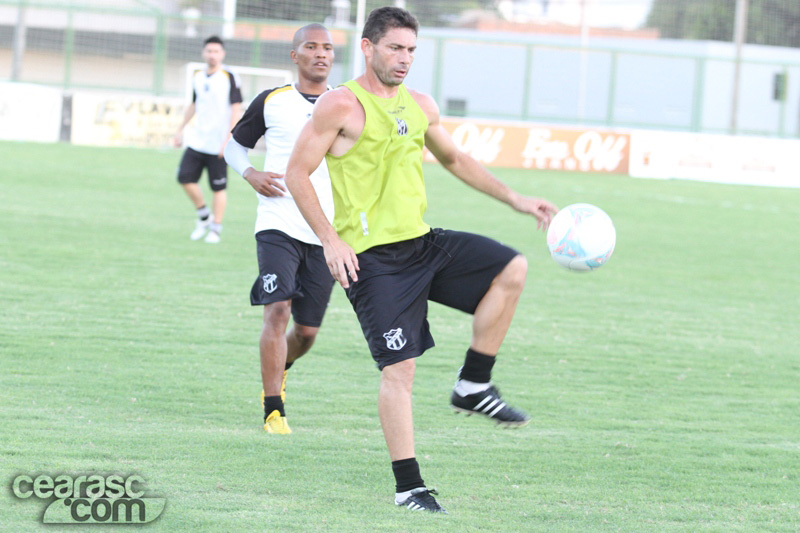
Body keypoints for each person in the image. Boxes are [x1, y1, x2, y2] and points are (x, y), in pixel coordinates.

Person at [285, 7, 558, 513]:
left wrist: (517, 199)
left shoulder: (421, 105)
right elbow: (297, 172)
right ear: (367, 48)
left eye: (411, 50)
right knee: (400, 371)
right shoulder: (340, 106)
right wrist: (330, 239)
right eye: (395, 48)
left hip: (422, 243)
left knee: (512, 268)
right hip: (372, 261)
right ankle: (409, 487)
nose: (405, 58)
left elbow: (455, 159)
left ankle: (474, 382)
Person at [224, 24, 336, 434]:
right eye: (311, 47)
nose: (321, 54)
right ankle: (273, 408)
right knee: (277, 309)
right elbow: (234, 146)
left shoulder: (345, 104)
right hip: (277, 222)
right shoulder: (272, 101)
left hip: (326, 233)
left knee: (306, 332)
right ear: (295, 55)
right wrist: (250, 172)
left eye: (327, 48)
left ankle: (282, 366)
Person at [174, 35, 243, 244]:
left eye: (216, 51)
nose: (212, 55)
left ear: (222, 54)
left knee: (218, 188)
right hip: (198, 141)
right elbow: (194, 105)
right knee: (184, 178)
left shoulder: (229, 76)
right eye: (209, 51)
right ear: (204, 53)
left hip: (218, 144)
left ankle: (216, 229)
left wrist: (228, 139)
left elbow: (236, 109)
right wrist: (180, 130)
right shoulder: (198, 77)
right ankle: (204, 215)